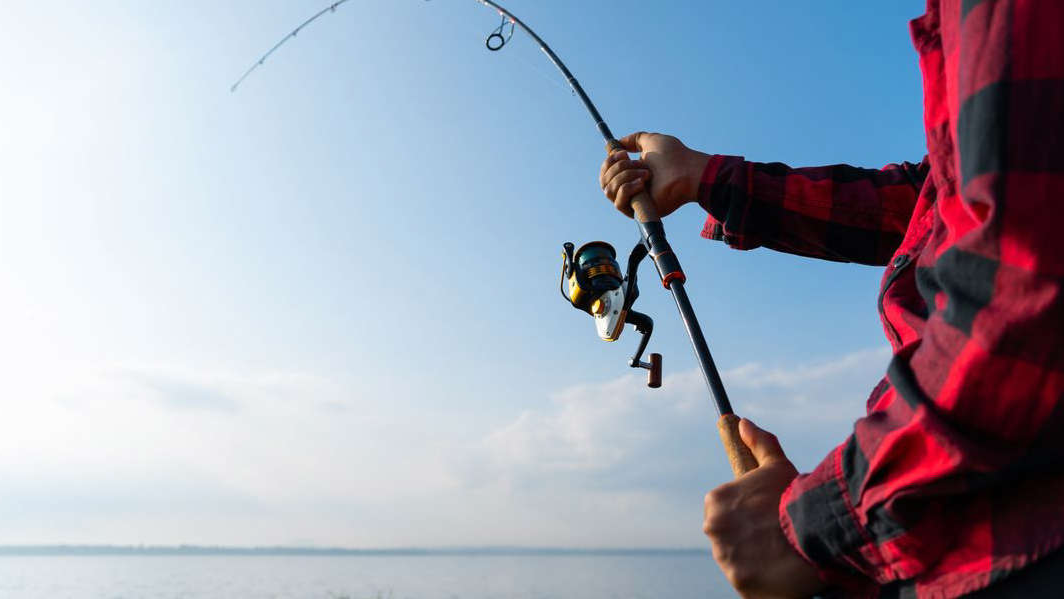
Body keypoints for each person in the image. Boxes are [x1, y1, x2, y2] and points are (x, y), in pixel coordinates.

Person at [598, 1, 1064, 597]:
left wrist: (811, 527)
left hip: (1011, 547)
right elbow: (931, 198)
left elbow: (1020, 300)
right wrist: (702, 177)